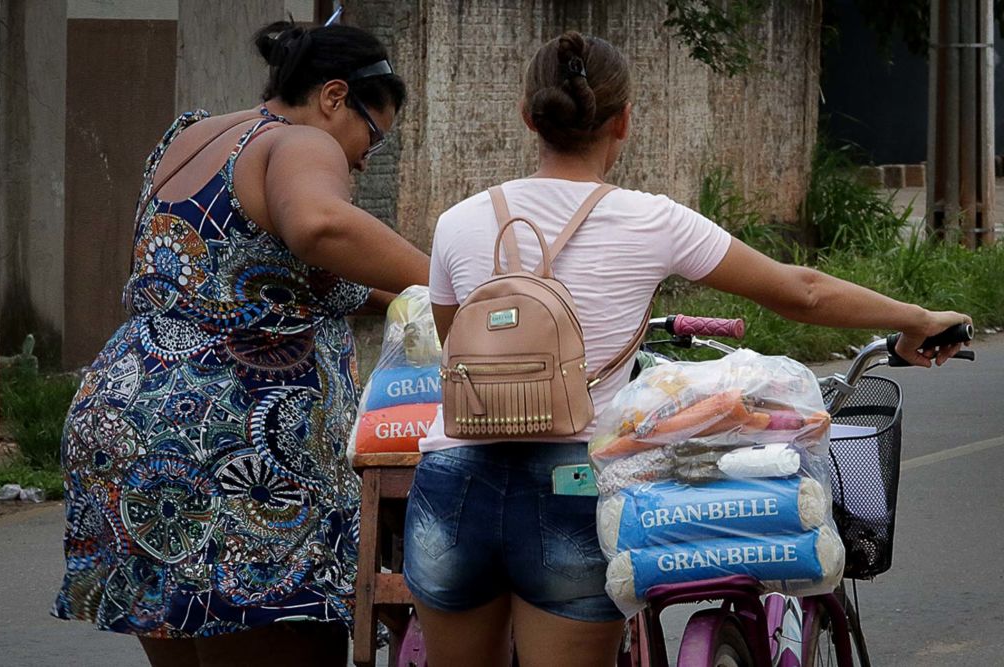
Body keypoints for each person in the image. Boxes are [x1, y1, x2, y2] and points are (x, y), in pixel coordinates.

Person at [403, 31, 971, 667]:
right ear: (623, 122)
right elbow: (800, 293)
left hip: (451, 485)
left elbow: (456, 345)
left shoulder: (458, 221)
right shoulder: (652, 220)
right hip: (572, 485)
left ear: (526, 116)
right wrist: (917, 316)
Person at [53, 20, 429, 666]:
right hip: (229, 445)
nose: (364, 157)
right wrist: (453, 279)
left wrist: (401, 297)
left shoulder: (192, 136)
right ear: (334, 97)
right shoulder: (301, 144)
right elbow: (318, 225)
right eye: (371, 134)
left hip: (126, 425)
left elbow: (235, 273)